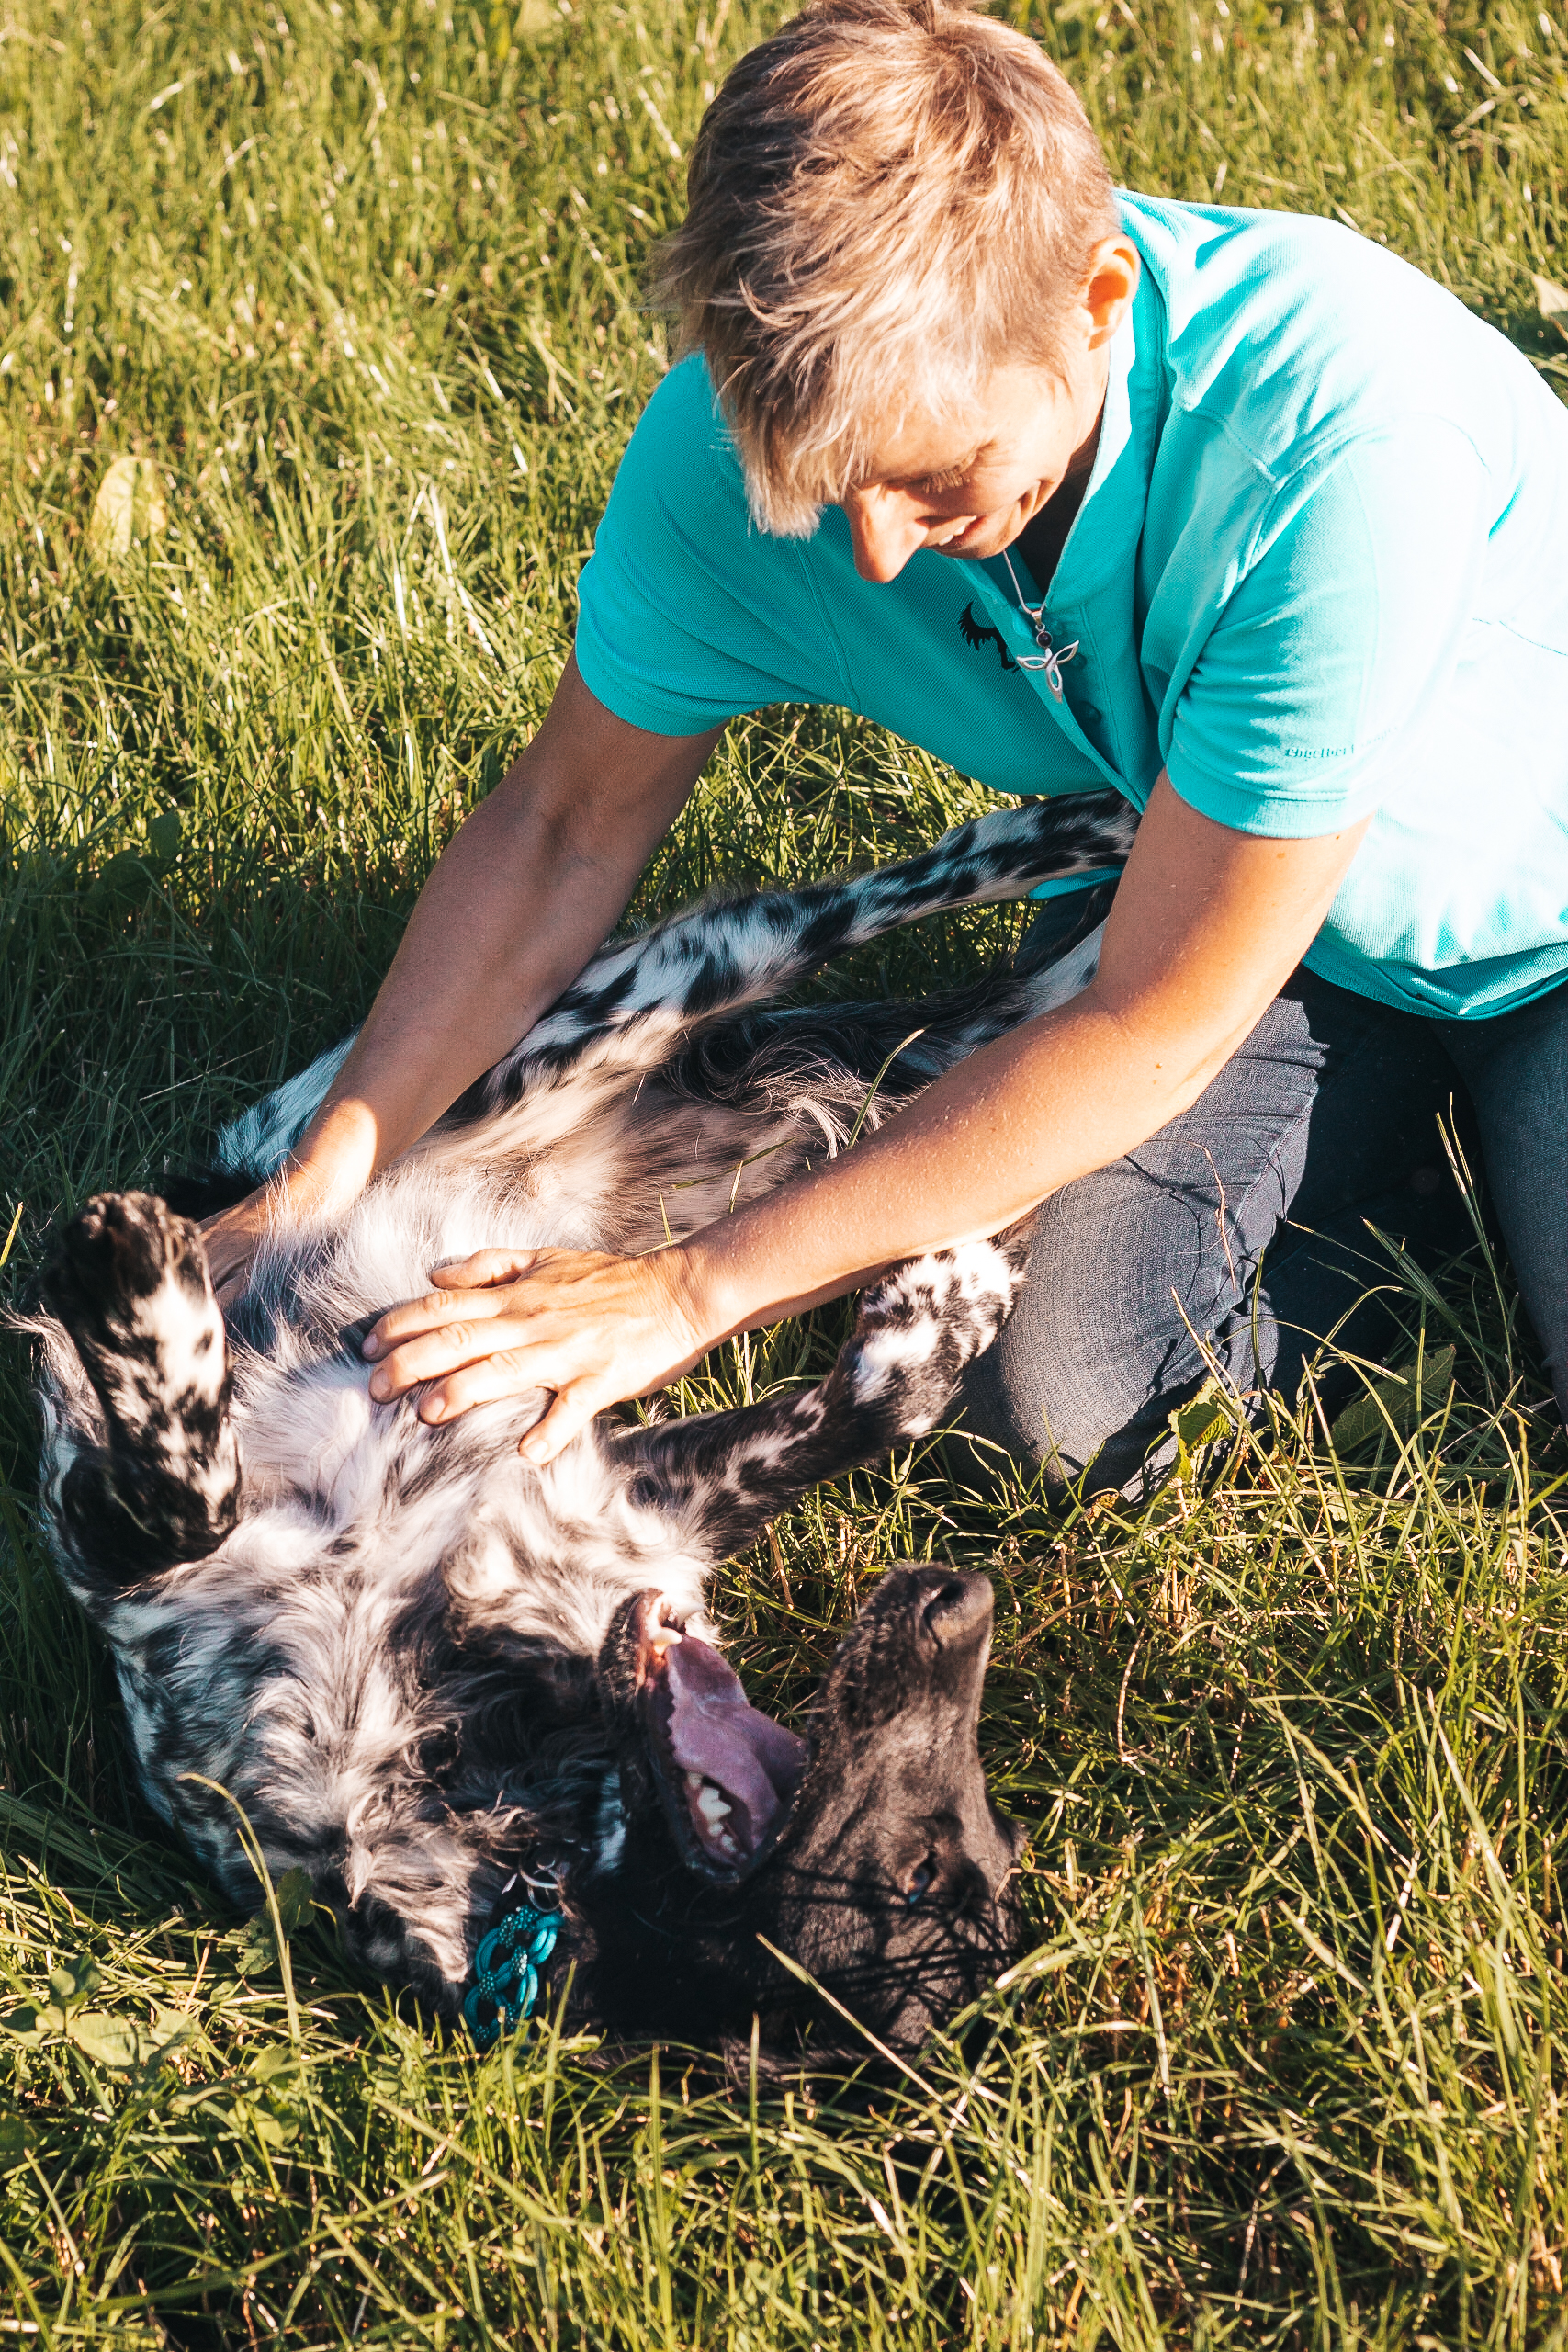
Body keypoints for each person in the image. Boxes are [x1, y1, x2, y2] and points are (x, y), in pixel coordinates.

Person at [204, 0, 1568, 1496]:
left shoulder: (1334, 453)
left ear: (1100, 298)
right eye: (827, 480)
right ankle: (1412, 1177)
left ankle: (1485, 1176)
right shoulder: (743, 456)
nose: (870, 549)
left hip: (1536, 940)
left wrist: (687, 1295)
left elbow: (1151, 1030)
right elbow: (560, 828)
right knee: (1056, 1405)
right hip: (1237, 919)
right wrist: (319, 1186)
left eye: (929, 476)